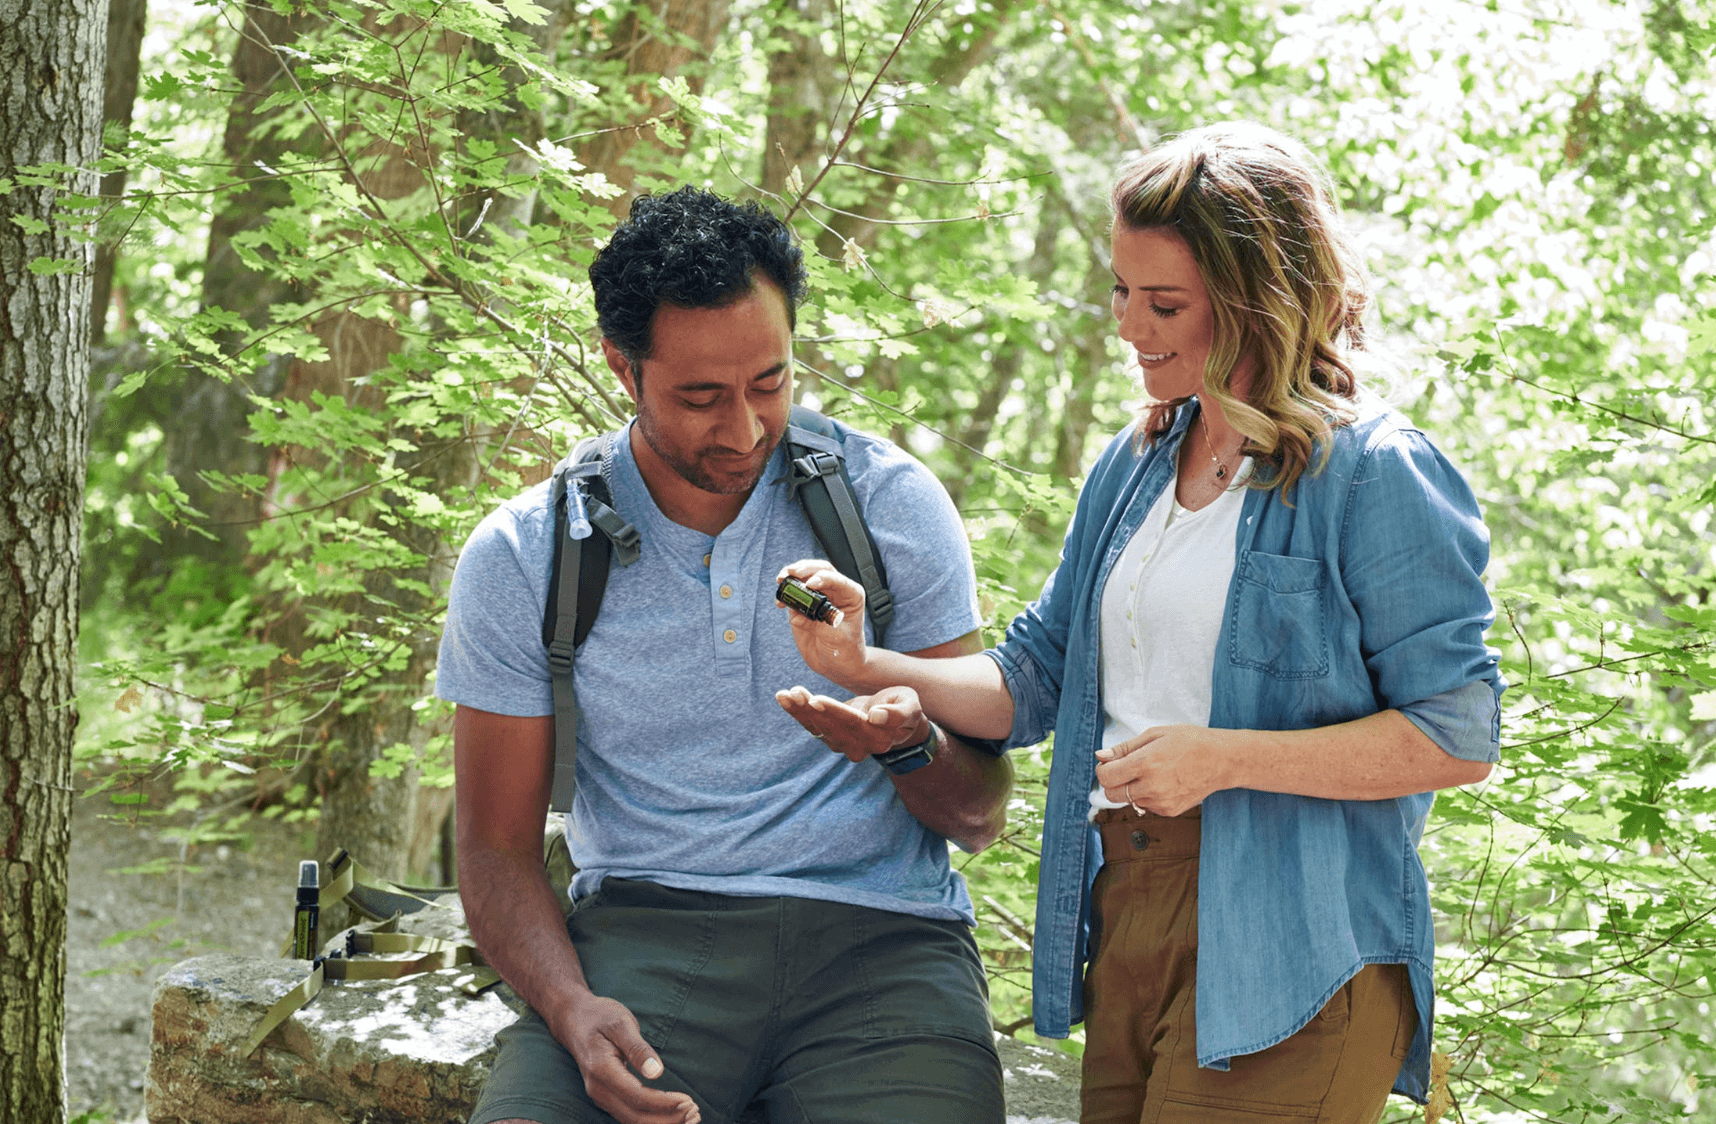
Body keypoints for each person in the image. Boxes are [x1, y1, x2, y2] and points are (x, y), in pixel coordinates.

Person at [775, 122, 1505, 1124]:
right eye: (1122, 290)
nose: (1129, 325)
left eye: (1166, 303)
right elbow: (1036, 677)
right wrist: (865, 659)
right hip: (1128, 916)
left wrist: (1224, 757)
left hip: (1298, 938)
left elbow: (1456, 736)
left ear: (1259, 299)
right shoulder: (1135, 463)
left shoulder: (1371, 470)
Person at [438, 186, 1013, 1124]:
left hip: (887, 948)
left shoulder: (892, 508)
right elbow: (496, 851)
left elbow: (982, 815)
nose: (744, 430)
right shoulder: (525, 554)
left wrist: (907, 746)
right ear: (623, 368)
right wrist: (571, 1008)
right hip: (642, 933)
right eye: (701, 397)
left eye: (770, 384)